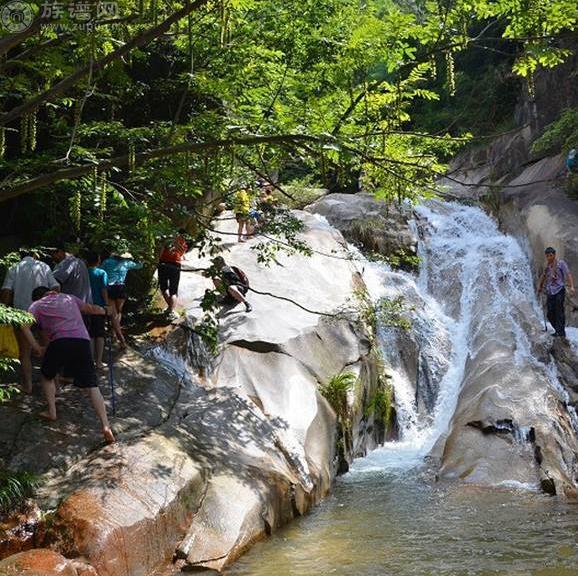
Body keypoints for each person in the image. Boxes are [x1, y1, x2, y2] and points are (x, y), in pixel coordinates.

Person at [21, 286, 115, 444]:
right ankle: (106, 425)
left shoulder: (36, 306)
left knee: (46, 375)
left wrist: (37, 347)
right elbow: (90, 309)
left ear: (36, 298)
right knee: (92, 385)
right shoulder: (68, 297)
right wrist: (106, 311)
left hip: (60, 341)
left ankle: (52, 412)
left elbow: (24, 326)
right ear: (51, 291)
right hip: (82, 341)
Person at [0, 250, 60, 393]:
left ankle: (28, 386)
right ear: (34, 255)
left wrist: (4, 309)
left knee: (25, 353)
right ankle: (56, 386)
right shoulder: (44, 266)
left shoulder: (14, 268)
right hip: (43, 313)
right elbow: (56, 287)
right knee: (49, 349)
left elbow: (7, 292)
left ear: (20, 257)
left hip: (22, 315)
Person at [536, 247, 576, 338]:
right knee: (550, 313)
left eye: (550, 255)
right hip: (550, 291)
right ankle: (557, 330)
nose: (549, 257)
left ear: (554, 255)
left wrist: (572, 286)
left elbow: (568, 273)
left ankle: (561, 333)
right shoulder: (547, 266)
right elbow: (543, 276)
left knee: (559, 311)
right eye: (547, 256)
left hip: (559, 290)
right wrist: (539, 287)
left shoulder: (561, 263)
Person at [100, 251, 143, 324]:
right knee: (119, 310)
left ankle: (111, 329)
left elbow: (100, 270)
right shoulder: (127, 263)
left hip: (109, 287)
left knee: (113, 311)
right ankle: (114, 332)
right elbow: (139, 266)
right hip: (120, 287)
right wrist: (140, 258)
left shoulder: (107, 261)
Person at [158, 229, 188, 319]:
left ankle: (170, 309)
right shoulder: (183, 242)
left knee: (164, 288)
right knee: (173, 291)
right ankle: (171, 310)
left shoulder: (167, 239)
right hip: (176, 265)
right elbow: (181, 253)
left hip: (163, 263)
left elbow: (161, 252)